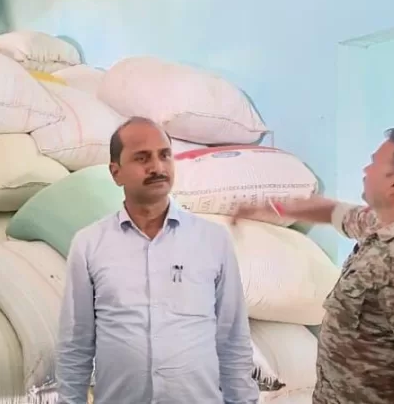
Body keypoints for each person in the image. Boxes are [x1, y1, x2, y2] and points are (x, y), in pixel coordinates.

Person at [232, 128, 394, 403]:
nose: (366, 169)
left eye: (374, 163)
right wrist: (271, 208)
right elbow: (334, 212)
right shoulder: (387, 224)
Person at [56, 117, 259, 403]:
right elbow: (75, 344)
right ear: (116, 173)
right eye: (142, 158)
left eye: (164, 155)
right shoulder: (89, 244)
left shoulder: (212, 240)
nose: (157, 167)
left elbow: (233, 340)